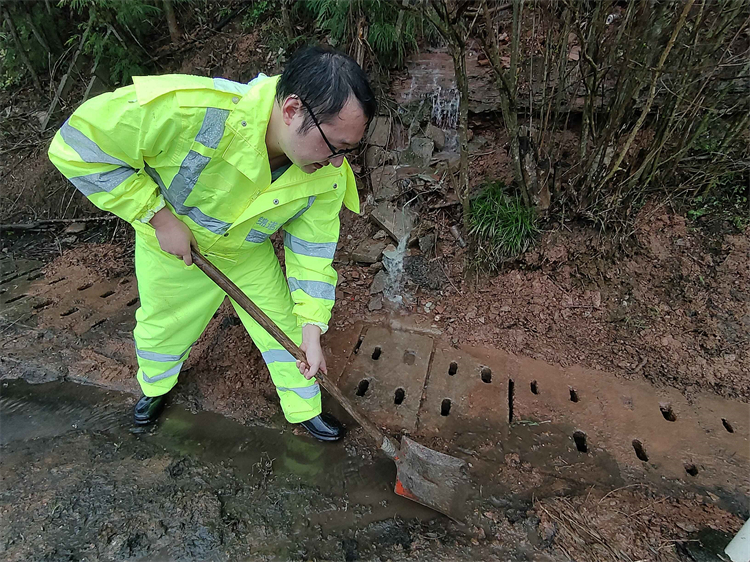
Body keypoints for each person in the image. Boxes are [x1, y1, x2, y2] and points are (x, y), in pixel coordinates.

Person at [48, 45, 376, 441]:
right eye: (334, 146)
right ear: (291, 111)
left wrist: (312, 329)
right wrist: (159, 217)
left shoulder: (327, 174)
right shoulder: (191, 110)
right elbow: (76, 145)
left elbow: (312, 254)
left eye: (348, 151)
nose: (338, 161)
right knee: (163, 329)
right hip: (175, 248)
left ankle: (305, 408)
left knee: (288, 331)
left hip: (243, 253)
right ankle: (154, 390)